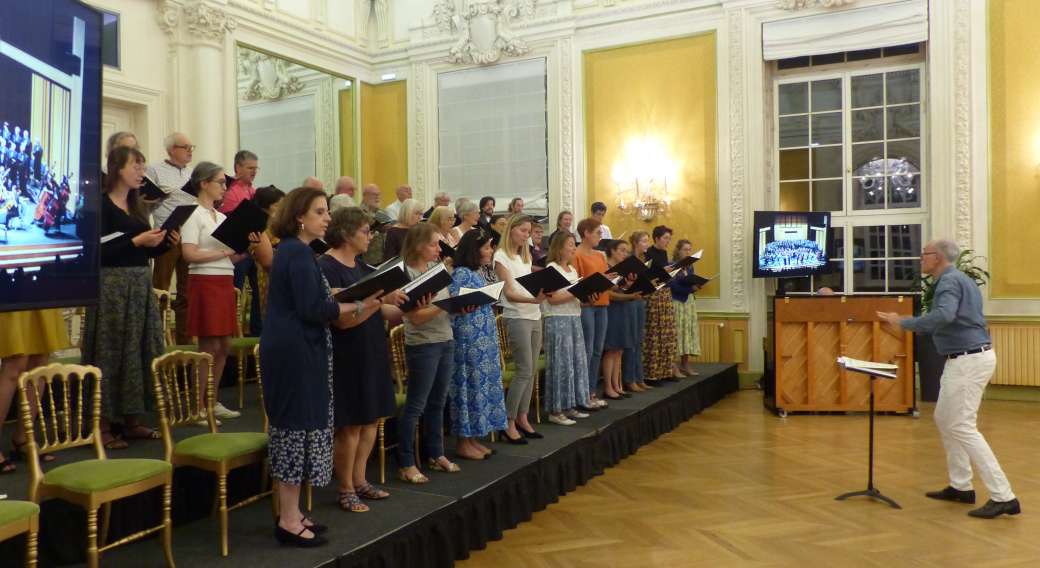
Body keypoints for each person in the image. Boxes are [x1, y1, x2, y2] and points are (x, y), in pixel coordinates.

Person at [878, 238, 1020, 519]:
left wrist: (902, 322)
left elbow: (943, 316)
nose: (920, 259)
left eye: (924, 254)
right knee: (945, 418)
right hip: (965, 358)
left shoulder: (949, 281)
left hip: (968, 360)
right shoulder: (960, 279)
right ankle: (961, 486)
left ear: (937, 257)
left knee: (962, 426)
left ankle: (1004, 496)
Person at [261, 187, 348, 546]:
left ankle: (292, 513)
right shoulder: (296, 252)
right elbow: (311, 308)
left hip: (299, 349)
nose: (327, 217)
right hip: (293, 352)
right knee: (295, 431)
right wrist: (350, 307)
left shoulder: (298, 250)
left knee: (302, 428)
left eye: (326, 211)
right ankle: (288, 521)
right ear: (299, 216)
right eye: (320, 211)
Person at [84, 146, 177, 449]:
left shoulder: (136, 206)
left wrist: (164, 244)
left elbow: (143, 250)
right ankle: (104, 425)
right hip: (111, 286)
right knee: (110, 352)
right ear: (117, 169)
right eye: (135, 166)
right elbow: (94, 251)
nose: (141, 172)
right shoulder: (98, 205)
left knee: (137, 351)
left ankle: (133, 420)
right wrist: (137, 239)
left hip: (138, 285)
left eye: (142, 166)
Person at [319, 207, 409, 513]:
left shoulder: (363, 268)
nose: (370, 236)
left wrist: (410, 303)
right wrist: (378, 301)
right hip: (347, 353)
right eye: (365, 231)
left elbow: (379, 310)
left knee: (372, 419)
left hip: (371, 349)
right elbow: (344, 321)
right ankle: (344, 487)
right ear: (345, 234)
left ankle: (360, 480)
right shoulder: (327, 267)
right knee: (351, 425)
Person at [181, 162, 260, 423]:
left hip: (224, 279)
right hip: (204, 281)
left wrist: (246, 248)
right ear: (204, 183)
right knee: (209, 346)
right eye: (220, 183)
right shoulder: (193, 215)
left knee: (225, 344)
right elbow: (189, 254)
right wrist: (227, 252)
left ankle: (212, 402)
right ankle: (196, 407)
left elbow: (231, 258)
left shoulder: (223, 218)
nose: (225, 188)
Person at [397, 223, 475, 483]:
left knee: (438, 403)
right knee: (415, 405)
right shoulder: (405, 273)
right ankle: (407, 462)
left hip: (445, 338)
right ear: (418, 245)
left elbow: (442, 307)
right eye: (433, 244)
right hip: (422, 343)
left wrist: (458, 308)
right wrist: (445, 306)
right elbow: (415, 317)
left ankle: (436, 453)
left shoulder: (436, 270)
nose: (438, 249)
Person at [447, 231, 507, 459]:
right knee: (468, 386)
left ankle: (472, 438)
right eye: (487, 248)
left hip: (483, 336)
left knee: (480, 386)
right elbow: (453, 304)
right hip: (468, 337)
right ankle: (463, 442)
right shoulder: (461, 273)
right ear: (474, 250)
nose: (491, 251)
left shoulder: (477, 271)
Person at [494, 214, 548, 443]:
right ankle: (508, 422)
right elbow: (509, 293)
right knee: (524, 369)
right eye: (523, 231)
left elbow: (528, 288)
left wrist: (541, 296)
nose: (527, 235)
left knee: (532, 368)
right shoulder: (501, 256)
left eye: (529, 232)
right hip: (516, 316)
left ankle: (523, 417)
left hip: (534, 315)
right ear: (512, 230)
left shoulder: (524, 255)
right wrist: (535, 300)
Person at [0, 311, 70, 471]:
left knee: (39, 364)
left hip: (42, 290)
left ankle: (22, 439)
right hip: (13, 289)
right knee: (15, 363)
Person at [148, 132, 197, 345]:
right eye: (185, 147)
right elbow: (145, 201)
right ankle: (156, 338)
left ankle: (185, 340)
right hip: (165, 236)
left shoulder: (193, 174)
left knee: (187, 292)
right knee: (161, 289)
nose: (190, 150)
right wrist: (158, 196)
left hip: (189, 236)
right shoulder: (154, 169)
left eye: (191, 146)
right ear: (171, 150)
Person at [541, 232, 593, 425]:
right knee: (560, 364)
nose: (574, 248)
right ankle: (555, 410)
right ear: (560, 247)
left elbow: (575, 298)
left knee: (573, 363)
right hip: (558, 320)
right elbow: (552, 299)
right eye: (570, 244)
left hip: (574, 318)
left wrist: (587, 296)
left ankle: (569, 405)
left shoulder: (572, 270)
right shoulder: (551, 268)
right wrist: (575, 292)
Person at [222, 150, 262, 335]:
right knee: (235, 291)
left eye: (256, 168)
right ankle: (231, 333)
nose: (254, 171)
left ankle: (256, 332)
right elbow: (229, 217)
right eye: (250, 168)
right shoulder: (229, 188)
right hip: (235, 246)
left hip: (253, 246)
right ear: (238, 167)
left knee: (259, 291)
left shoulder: (252, 190)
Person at [573, 218, 611, 409]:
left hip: (602, 303)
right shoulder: (577, 255)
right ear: (586, 233)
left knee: (597, 351)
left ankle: (591, 391)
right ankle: (582, 393)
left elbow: (605, 279)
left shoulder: (600, 256)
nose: (600, 236)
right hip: (586, 305)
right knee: (587, 351)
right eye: (597, 232)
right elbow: (577, 284)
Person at [642, 225, 683, 381]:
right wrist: (663, 271)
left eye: (669, 239)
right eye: (665, 238)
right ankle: (652, 373)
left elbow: (664, 277)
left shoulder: (664, 253)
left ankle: (665, 370)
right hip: (653, 294)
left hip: (665, 293)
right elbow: (648, 275)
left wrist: (673, 274)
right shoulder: (649, 253)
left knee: (667, 333)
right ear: (657, 239)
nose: (668, 241)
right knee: (654, 333)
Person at [603, 239, 639, 399]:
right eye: (622, 250)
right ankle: (608, 386)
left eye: (626, 251)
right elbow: (607, 293)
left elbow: (621, 289)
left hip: (622, 308)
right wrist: (630, 294)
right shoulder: (607, 269)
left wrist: (628, 287)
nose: (625, 254)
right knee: (611, 349)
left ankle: (617, 385)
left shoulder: (621, 271)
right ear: (612, 251)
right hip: (611, 310)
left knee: (619, 350)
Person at [622, 231, 653, 391]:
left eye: (648, 241)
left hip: (641, 299)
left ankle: (639, 377)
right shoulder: (629, 259)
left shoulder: (643, 259)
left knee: (639, 341)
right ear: (635, 243)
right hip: (630, 300)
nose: (647, 244)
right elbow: (624, 282)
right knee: (632, 341)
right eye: (644, 241)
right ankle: (629, 379)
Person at [250, 185, 287, 318]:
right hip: (268, 275)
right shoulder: (259, 226)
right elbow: (267, 261)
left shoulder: (278, 225)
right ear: (266, 206)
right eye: (278, 205)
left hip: (281, 272)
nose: (282, 209)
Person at [670, 239, 701, 377]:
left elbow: (690, 282)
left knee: (687, 332)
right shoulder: (672, 265)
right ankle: (673, 365)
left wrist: (696, 287)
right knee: (677, 332)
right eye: (685, 250)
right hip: (677, 302)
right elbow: (672, 287)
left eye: (689, 250)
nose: (687, 252)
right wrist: (690, 288)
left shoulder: (690, 266)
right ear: (678, 251)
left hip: (688, 303)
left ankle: (685, 365)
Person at [359, 183, 389, 265]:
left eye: (379, 194)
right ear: (364, 195)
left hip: (384, 255)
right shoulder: (359, 212)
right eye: (374, 194)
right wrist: (378, 228)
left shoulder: (383, 211)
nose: (377, 197)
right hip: (368, 256)